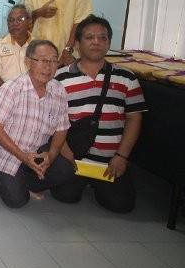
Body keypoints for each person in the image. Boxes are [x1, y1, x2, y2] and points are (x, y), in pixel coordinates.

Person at [55, 15, 146, 213]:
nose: (96, 42)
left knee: (122, 205)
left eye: (102, 38)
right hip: (73, 156)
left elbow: (134, 118)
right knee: (65, 196)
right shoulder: (61, 77)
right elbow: (52, 119)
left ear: (108, 43)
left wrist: (122, 156)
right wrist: (64, 150)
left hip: (110, 160)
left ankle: (99, 182)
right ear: (78, 43)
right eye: (89, 37)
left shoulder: (127, 78)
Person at [0, 40, 74, 208]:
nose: (48, 66)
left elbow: (61, 129)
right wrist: (23, 157)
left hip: (37, 151)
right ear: (28, 62)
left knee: (66, 170)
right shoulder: (11, 89)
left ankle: (27, 178)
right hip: (7, 153)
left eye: (53, 60)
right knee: (17, 201)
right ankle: (8, 175)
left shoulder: (59, 90)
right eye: (41, 60)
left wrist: (51, 155)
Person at [0, 4, 33, 89]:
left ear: (29, 22)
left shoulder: (39, 46)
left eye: (20, 19)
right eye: (11, 20)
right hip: (5, 95)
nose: (15, 23)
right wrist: (10, 93)